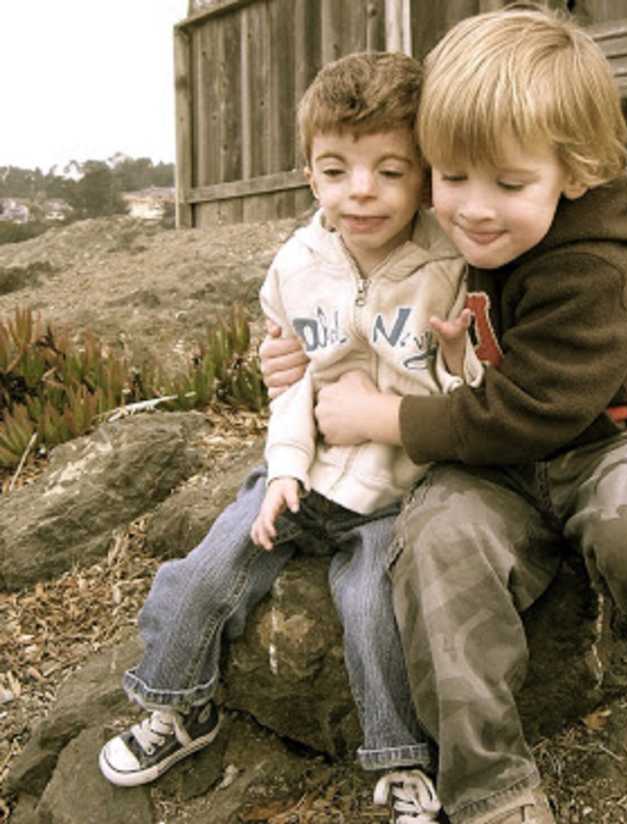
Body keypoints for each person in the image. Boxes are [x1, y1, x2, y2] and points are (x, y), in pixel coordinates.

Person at [260, 6, 627, 824]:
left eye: (508, 185)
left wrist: (386, 418)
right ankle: (488, 779)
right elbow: (348, 277)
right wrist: (295, 354)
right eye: (450, 176)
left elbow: (532, 411)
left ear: (573, 173)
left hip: (604, 443)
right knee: (434, 547)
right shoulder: (442, 224)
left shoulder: (592, 270)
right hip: (488, 466)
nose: (470, 209)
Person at [99, 51, 482, 823]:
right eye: (336, 170)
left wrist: (450, 358)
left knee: (374, 609)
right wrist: (281, 472)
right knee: (204, 569)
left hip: (399, 489)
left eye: (389, 170)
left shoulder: (451, 264)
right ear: (310, 175)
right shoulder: (296, 266)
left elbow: (470, 400)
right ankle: (179, 705)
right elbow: (293, 382)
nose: (361, 191)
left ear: (426, 175)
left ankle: (400, 757)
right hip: (305, 470)